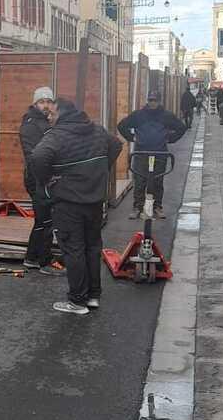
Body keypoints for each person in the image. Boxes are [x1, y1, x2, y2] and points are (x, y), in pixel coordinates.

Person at [29, 99, 122, 315]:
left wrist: (46, 180)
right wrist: (99, 170)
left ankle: (77, 300)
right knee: (92, 247)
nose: (48, 117)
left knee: (74, 249)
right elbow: (117, 144)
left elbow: (38, 156)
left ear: (62, 114)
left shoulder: (56, 135)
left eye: (51, 114)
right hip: (95, 201)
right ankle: (93, 296)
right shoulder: (97, 130)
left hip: (68, 203)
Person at [118, 90, 187, 220]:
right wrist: (132, 138)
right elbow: (121, 126)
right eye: (150, 100)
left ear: (159, 101)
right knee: (139, 180)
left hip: (160, 153)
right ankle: (137, 207)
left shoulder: (166, 116)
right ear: (147, 101)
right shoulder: (138, 115)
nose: (152, 103)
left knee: (157, 181)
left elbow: (181, 128)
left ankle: (157, 207)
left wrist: (170, 139)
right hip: (141, 153)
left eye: (154, 100)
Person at [19, 87, 64, 277]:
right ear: (35, 103)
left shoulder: (46, 122)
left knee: (43, 219)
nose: (45, 105)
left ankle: (31, 258)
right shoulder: (31, 125)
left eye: (48, 102)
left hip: (44, 178)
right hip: (38, 179)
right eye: (42, 102)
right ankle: (44, 261)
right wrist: (45, 177)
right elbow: (33, 156)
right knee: (45, 220)